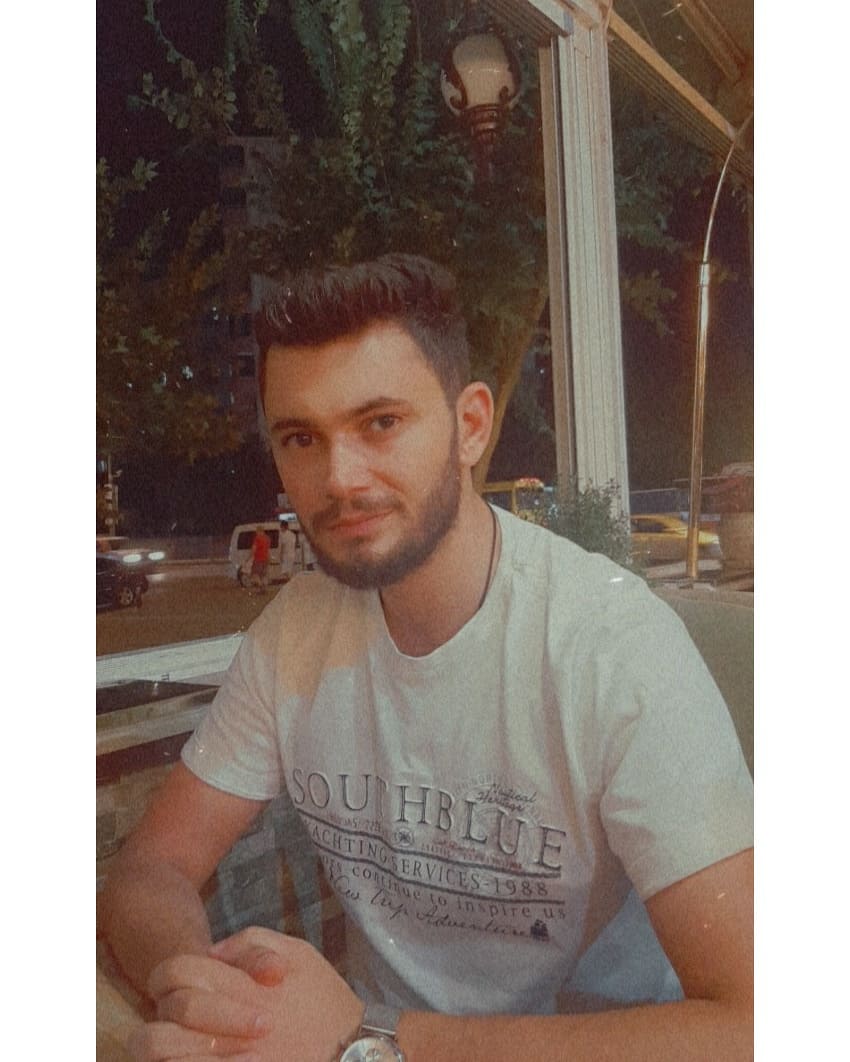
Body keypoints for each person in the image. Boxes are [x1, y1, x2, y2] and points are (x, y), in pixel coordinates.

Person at [101, 254, 753, 1061]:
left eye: (380, 423)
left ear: (471, 426)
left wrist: (369, 1038)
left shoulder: (614, 646)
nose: (338, 479)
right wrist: (207, 995)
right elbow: (150, 869)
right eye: (301, 438)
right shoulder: (294, 631)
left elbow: (754, 1024)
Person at [249, 525, 271, 591]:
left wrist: (249, 557)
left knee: (255, 574)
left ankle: (261, 586)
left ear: (259, 531)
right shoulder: (267, 538)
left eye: (257, 531)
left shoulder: (257, 538)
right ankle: (264, 588)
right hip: (266, 559)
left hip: (258, 559)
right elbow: (268, 550)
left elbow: (254, 549)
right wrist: (269, 558)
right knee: (263, 575)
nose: (256, 533)